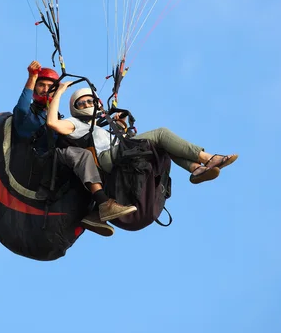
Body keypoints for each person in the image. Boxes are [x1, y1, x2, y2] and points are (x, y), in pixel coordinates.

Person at [12, 61, 136, 237]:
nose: (46, 89)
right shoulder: (27, 117)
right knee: (82, 155)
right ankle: (103, 203)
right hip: (41, 164)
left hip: (61, 165)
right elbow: (22, 107)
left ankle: (95, 214)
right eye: (41, 85)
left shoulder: (59, 117)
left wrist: (118, 127)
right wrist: (32, 78)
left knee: (96, 156)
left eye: (50, 86)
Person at [46, 84, 238, 185]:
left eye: (90, 101)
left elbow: (113, 140)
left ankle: (196, 169)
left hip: (117, 151)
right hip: (107, 159)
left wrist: (120, 125)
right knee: (161, 133)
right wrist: (60, 92)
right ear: (75, 109)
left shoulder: (98, 127)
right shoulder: (75, 123)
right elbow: (52, 123)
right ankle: (208, 158)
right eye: (82, 103)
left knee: (161, 147)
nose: (87, 105)